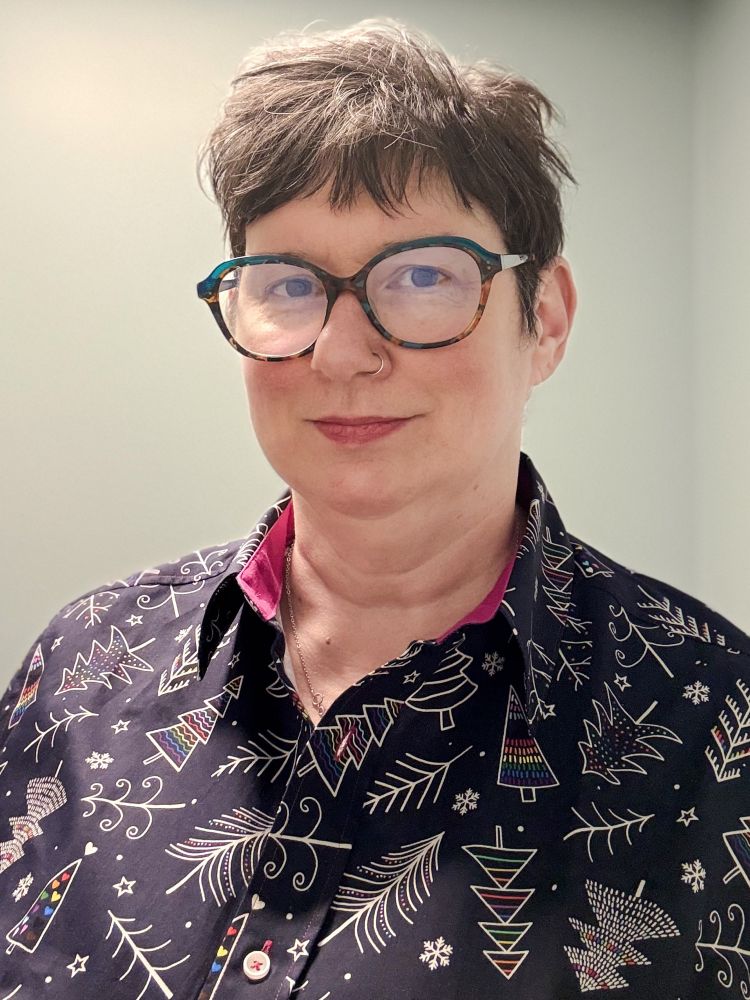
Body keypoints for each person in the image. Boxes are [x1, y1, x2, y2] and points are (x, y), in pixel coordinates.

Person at [1, 17, 748, 1000]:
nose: (342, 354)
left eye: (423, 276)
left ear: (547, 320)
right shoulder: (80, 670)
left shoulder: (714, 724)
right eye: (289, 284)